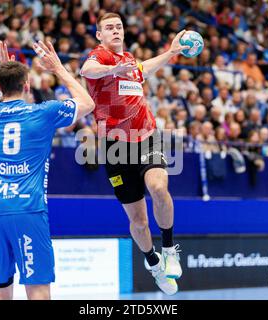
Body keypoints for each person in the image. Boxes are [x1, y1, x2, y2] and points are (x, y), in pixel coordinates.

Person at [0, 41, 94, 300]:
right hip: (28, 209)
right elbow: (87, 102)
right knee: (38, 290)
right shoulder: (43, 112)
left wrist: (1, 75)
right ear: (27, 86)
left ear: (0, 85)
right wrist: (59, 69)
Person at [80, 13, 187, 295]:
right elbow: (86, 71)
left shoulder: (128, 59)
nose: (115, 31)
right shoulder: (99, 58)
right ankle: (153, 263)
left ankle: (168, 248)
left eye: (118, 27)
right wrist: (113, 69)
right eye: (108, 28)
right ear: (99, 35)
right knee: (138, 222)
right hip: (115, 148)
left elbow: (145, 69)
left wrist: (172, 52)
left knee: (158, 186)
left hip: (146, 138)